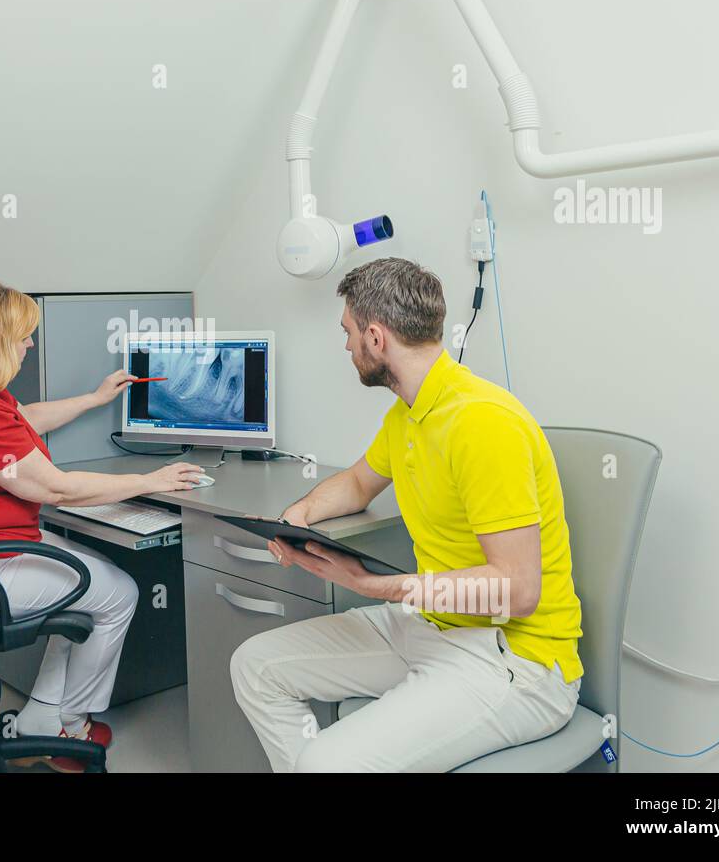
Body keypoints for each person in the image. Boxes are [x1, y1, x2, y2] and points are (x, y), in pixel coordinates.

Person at [230, 256, 584, 772]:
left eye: (349, 333)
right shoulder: (408, 414)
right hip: (431, 628)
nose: (347, 346)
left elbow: (518, 588)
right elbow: (355, 484)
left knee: (326, 764)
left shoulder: (482, 423)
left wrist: (375, 586)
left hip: (517, 659)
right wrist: (300, 514)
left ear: (376, 338)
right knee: (255, 667)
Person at [0, 280, 203, 771]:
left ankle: (42, 717)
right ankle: (70, 722)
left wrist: (93, 398)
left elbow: (25, 419)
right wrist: (151, 480)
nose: (29, 345)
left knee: (94, 572)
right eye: (22, 336)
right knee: (121, 592)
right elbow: (56, 489)